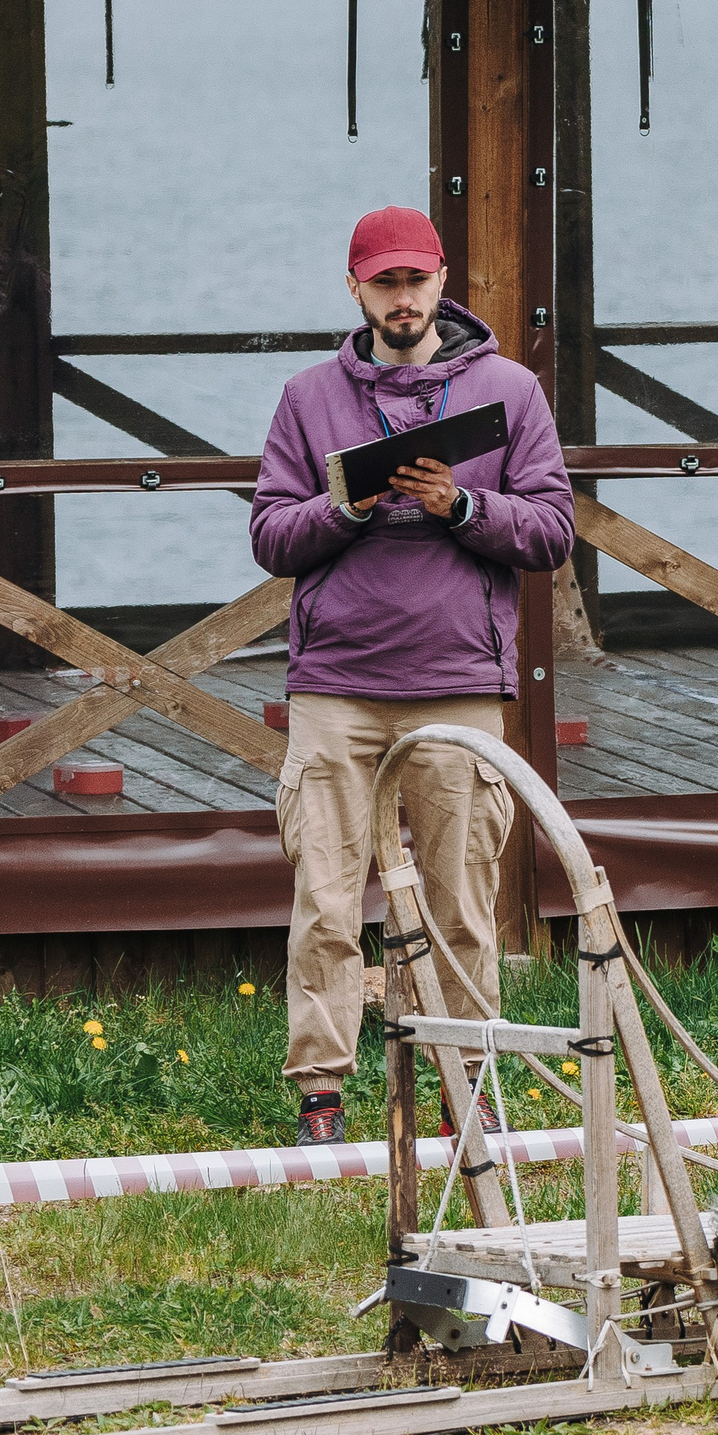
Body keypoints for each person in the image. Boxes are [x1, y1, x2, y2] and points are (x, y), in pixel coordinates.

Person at [250, 207, 574, 1147]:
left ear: (442, 282)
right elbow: (271, 536)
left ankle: (469, 1083)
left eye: (416, 280)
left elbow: (552, 530)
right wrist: (345, 507)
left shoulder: (511, 392)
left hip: (459, 679)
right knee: (325, 898)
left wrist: (464, 504)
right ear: (355, 288)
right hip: (335, 685)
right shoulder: (309, 396)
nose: (402, 298)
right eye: (384, 282)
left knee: (463, 898)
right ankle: (321, 1094)